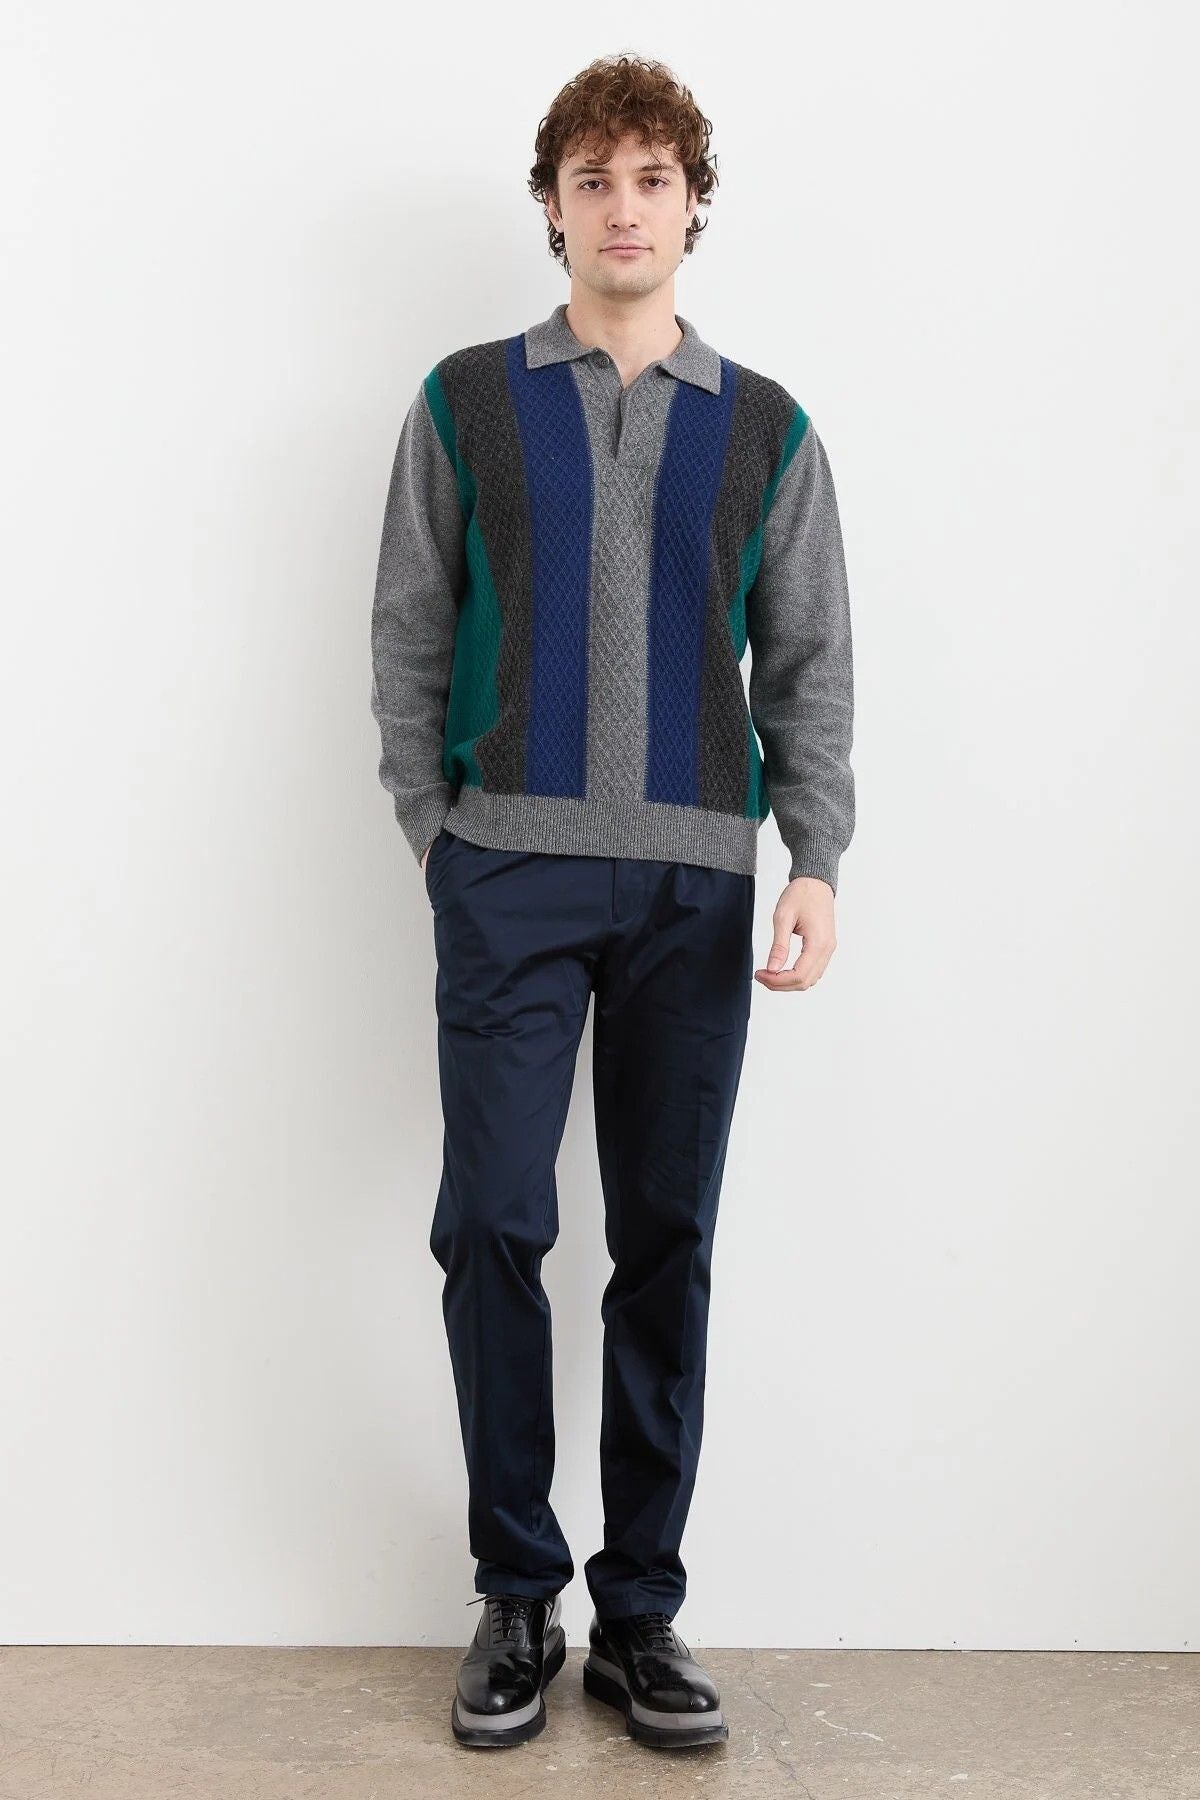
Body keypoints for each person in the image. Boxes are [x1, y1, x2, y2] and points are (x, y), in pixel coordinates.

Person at [369, 52, 855, 1753]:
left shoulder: (769, 428)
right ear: (554, 207)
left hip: (696, 881)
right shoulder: (467, 402)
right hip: (506, 871)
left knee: (667, 1241)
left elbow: (807, 662)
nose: (624, 207)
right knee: (493, 1222)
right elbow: (410, 626)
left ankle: (640, 1610)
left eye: (653, 178)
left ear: (693, 204)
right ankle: (519, 1589)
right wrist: (441, 837)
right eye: (594, 179)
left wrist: (816, 857)